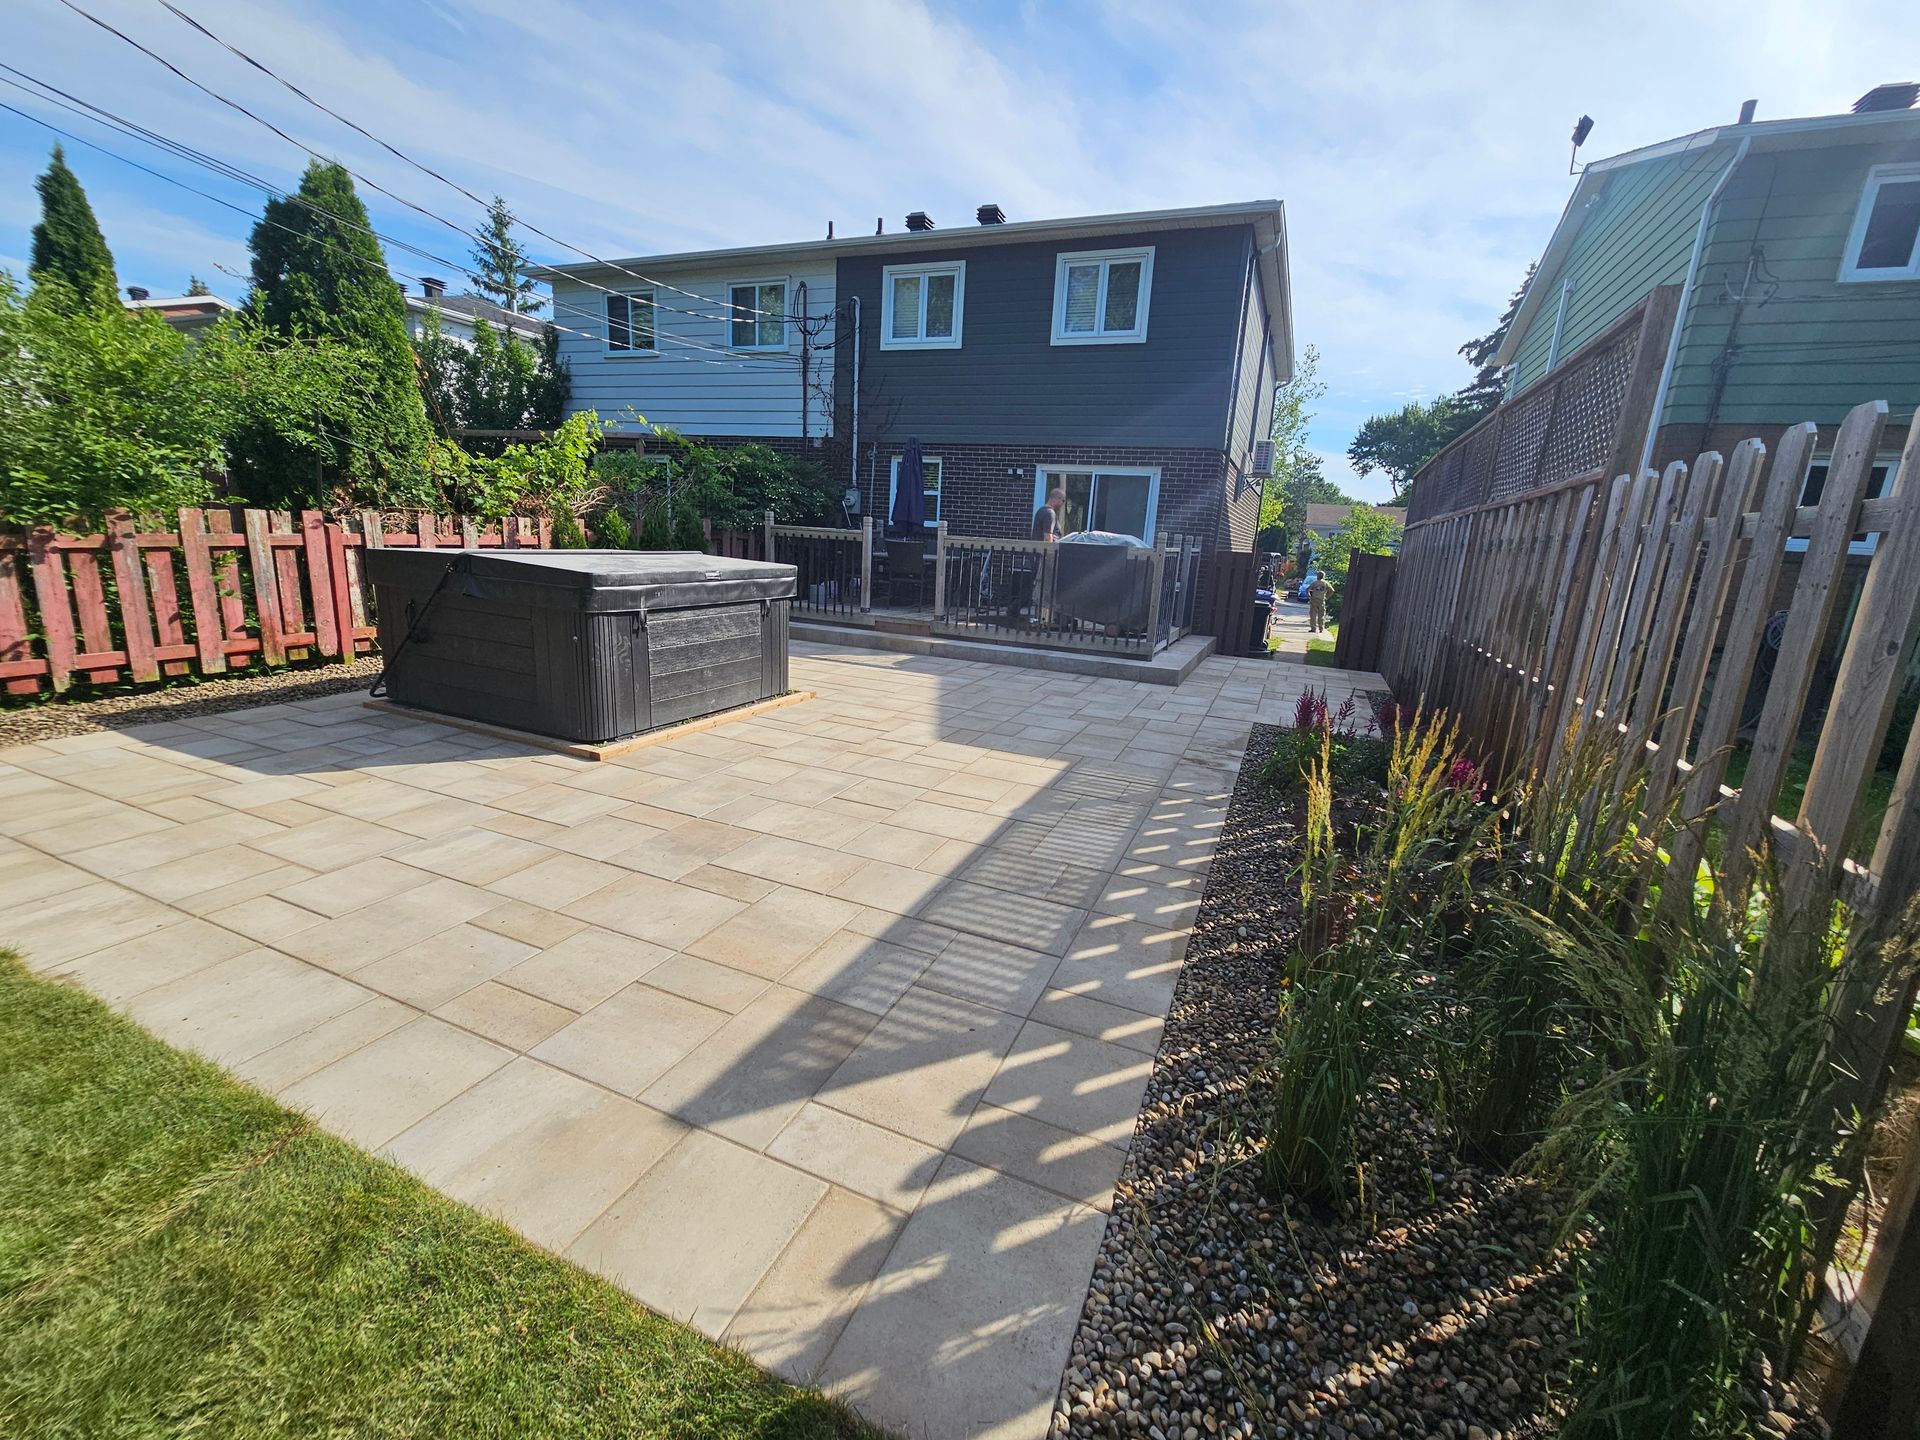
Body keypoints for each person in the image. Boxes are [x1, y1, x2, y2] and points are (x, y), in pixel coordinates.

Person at [1009, 488, 1066, 623]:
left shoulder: (1041, 511)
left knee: (1034, 586)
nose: (1062, 504)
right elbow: (1048, 537)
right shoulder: (1049, 514)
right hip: (1044, 556)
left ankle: (1015, 609)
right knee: (1041, 586)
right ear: (1056, 498)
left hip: (1036, 555)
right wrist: (1053, 551)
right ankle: (1035, 615)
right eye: (1062, 501)